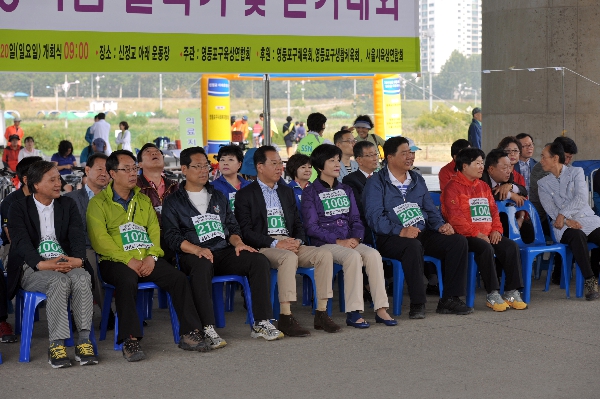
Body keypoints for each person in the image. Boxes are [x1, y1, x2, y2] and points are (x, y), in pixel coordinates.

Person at [86, 150, 209, 362]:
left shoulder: (143, 200)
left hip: (146, 257)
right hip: (115, 261)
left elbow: (154, 231)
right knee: (126, 279)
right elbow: (100, 240)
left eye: (134, 168)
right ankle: (130, 340)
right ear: (113, 173)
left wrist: (152, 256)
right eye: (127, 169)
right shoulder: (98, 203)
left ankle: (189, 333)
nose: (133, 173)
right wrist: (128, 260)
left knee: (178, 278)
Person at [163, 146, 282, 346]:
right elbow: (171, 236)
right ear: (184, 169)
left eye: (206, 166)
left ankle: (261, 322)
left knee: (258, 260)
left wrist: (239, 244)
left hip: (222, 250)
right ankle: (207, 327)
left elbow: (232, 227)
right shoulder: (174, 201)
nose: (203, 171)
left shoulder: (217, 196)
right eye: (197, 166)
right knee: (201, 265)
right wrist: (197, 249)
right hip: (192, 254)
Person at [235, 146, 340, 335]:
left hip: (291, 242)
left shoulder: (286, 191)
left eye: (280, 163)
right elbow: (246, 231)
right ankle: (285, 316)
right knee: (287, 258)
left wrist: (298, 241)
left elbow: (298, 224)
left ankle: (321, 313)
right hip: (265, 246)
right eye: (273, 163)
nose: (279, 168)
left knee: (324, 254)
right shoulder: (245, 194)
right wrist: (276, 243)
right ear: (260, 167)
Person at [363, 136, 472, 318]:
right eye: (404, 153)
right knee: (413, 247)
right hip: (391, 237)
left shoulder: (416, 179)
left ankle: (450, 299)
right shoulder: (376, 182)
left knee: (457, 241)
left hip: (420, 231)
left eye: (411, 153)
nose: (410, 157)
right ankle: (418, 303)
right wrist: (400, 230)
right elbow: (374, 218)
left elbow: (430, 209)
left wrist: (440, 225)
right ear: (390, 157)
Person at [8, 161, 98, 367]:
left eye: (59, 178)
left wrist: (77, 260)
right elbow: (21, 243)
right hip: (32, 267)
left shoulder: (67, 204)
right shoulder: (18, 207)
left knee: (83, 277)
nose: (59, 183)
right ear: (36, 185)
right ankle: (56, 344)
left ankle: (84, 341)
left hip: (67, 261)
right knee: (58, 281)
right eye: (52, 180)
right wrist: (44, 264)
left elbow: (76, 236)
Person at [302, 144, 396, 327]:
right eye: (332, 161)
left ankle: (381, 309)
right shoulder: (310, 192)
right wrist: (338, 241)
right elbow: (311, 227)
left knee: (373, 254)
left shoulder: (346, 189)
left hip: (349, 240)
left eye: (338, 160)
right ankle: (354, 312)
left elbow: (356, 219)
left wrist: (357, 238)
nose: (337, 164)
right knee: (353, 257)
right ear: (320, 166)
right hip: (325, 243)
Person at [441, 148, 527, 312]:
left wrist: (496, 230)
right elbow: (455, 219)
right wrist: (477, 234)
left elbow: (494, 211)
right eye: (478, 163)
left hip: (488, 233)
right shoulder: (452, 187)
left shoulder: (483, 186)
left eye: (482, 163)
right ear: (465, 166)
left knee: (510, 247)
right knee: (485, 248)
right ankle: (492, 293)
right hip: (466, 236)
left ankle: (511, 291)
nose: (482, 167)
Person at [538, 141, 600, 300]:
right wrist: (565, 220)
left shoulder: (576, 172)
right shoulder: (543, 184)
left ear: (555, 158)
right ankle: (590, 280)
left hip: (586, 219)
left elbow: (581, 198)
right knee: (576, 235)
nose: (541, 160)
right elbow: (551, 211)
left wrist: (563, 214)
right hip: (563, 227)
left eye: (544, 157)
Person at [66, 153, 114, 327]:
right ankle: (107, 312)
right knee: (91, 264)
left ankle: (128, 311)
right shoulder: (71, 199)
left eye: (108, 170)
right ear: (87, 170)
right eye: (99, 169)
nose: (104, 173)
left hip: (111, 247)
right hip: (86, 248)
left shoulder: (114, 198)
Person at [0, 156, 42, 344]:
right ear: (26, 179)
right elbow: (13, 238)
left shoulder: (50, 198)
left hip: (46, 248)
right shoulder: (11, 202)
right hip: (16, 248)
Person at [136, 143, 179, 262]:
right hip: (147, 242)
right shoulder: (134, 188)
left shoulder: (176, 187)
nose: (154, 153)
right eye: (148, 152)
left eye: (157, 152)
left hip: (175, 239)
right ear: (140, 164)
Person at [481, 149, 533, 243]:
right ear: (491, 169)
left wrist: (511, 186)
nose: (508, 171)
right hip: (486, 221)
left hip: (504, 217)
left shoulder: (509, 177)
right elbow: (486, 196)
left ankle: (527, 254)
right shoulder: (482, 178)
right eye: (505, 168)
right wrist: (510, 195)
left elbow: (523, 191)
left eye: (510, 167)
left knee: (527, 226)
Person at [342, 141, 380, 246]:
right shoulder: (350, 180)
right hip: (367, 227)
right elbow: (360, 208)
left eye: (375, 154)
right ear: (359, 160)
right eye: (370, 155)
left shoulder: (381, 178)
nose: (375, 158)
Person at [211, 145, 251, 212]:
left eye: (230, 159)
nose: (225, 163)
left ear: (239, 164)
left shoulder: (249, 187)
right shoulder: (212, 187)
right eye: (222, 160)